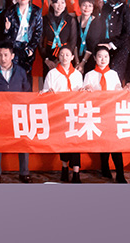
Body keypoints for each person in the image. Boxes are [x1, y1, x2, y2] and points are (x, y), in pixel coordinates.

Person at [0, 44, 32, 183]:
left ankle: (24, 172)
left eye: (6, 55)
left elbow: (27, 92)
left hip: (17, 113)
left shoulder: (21, 72)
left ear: (12, 56)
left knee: (23, 142)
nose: (2, 58)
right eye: (0, 55)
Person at [82, 46, 130, 183]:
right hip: (97, 113)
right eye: (100, 56)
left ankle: (120, 173)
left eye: (106, 56)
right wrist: (86, 89)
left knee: (114, 143)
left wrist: (126, 89)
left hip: (111, 112)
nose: (103, 59)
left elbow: (118, 91)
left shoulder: (113, 74)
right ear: (94, 58)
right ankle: (105, 168)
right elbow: (82, 95)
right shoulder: (89, 75)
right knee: (103, 141)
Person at [42, 46, 84, 183]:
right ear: (58, 57)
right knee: (64, 141)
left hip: (75, 112)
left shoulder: (77, 74)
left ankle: (76, 172)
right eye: (61, 55)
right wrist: (49, 92)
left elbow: (81, 93)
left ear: (72, 57)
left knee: (76, 142)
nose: (64, 57)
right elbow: (45, 91)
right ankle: (64, 167)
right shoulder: (52, 74)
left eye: (67, 55)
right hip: (59, 112)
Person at [97, 0, 130, 88]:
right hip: (105, 46)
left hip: (120, 47)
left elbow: (128, 32)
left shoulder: (126, 9)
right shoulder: (105, 7)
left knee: (116, 74)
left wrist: (112, 44)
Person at [5, 0, 43, 87]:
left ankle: (27, 95)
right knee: (13, 73)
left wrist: (31, 48)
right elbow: (6, 34)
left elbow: (38, 32)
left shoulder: (36, 11)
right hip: (14, 46)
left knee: (27, 74)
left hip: (28, 46)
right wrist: (7, 29)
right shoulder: (11, 10)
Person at [41, 0, 79, 75]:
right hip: (49, 55)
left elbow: (73, 41)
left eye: (62, 2)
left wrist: (65, 58)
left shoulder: (70, 20)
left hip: (65, 56)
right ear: (52, 4)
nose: (60, 5)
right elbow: (40, 40)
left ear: (65, 4)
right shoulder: (45, 19)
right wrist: (46, 59)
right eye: (57, 2)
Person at [77, 0, 100, 72]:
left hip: (90, 57)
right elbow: (73, 41)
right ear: (80, 6)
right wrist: (77, 62)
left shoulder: (97, 22)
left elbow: (92, 44)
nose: (87, 8)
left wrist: (82, 63)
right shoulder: (75, 20)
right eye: (84, 5)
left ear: (93, 8)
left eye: (90, 6)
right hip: (76, 56)